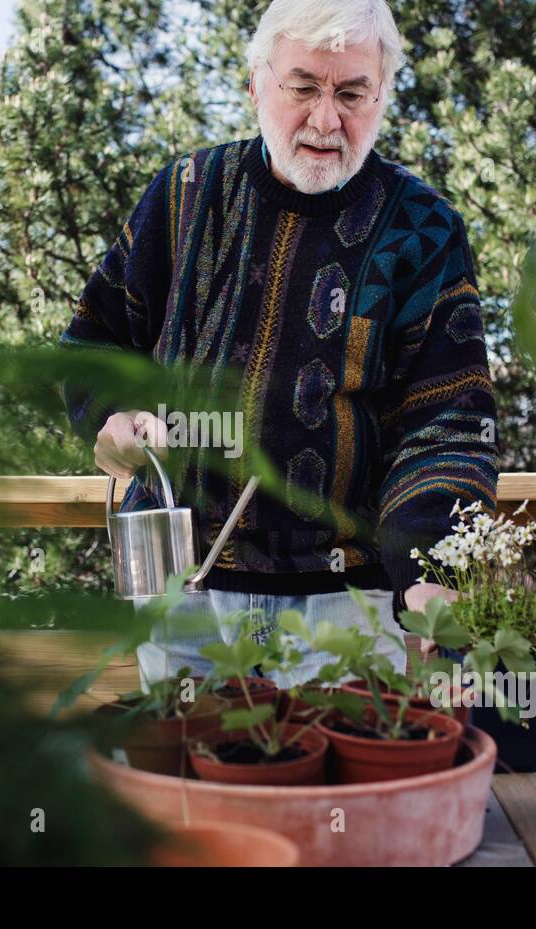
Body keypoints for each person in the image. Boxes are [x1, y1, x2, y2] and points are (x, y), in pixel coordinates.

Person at [58, 0, 497, 690]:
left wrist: (431, 572)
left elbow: (447, 423)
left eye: (353, 93)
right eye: (303, 87)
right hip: (182, 594)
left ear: (382, 96)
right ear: (257, 84)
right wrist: (112, 420)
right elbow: (94, 341)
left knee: (338, 787)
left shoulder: (425, 230)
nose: (327, 120)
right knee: (191, 789)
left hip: (346, 605)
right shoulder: (183, 195)